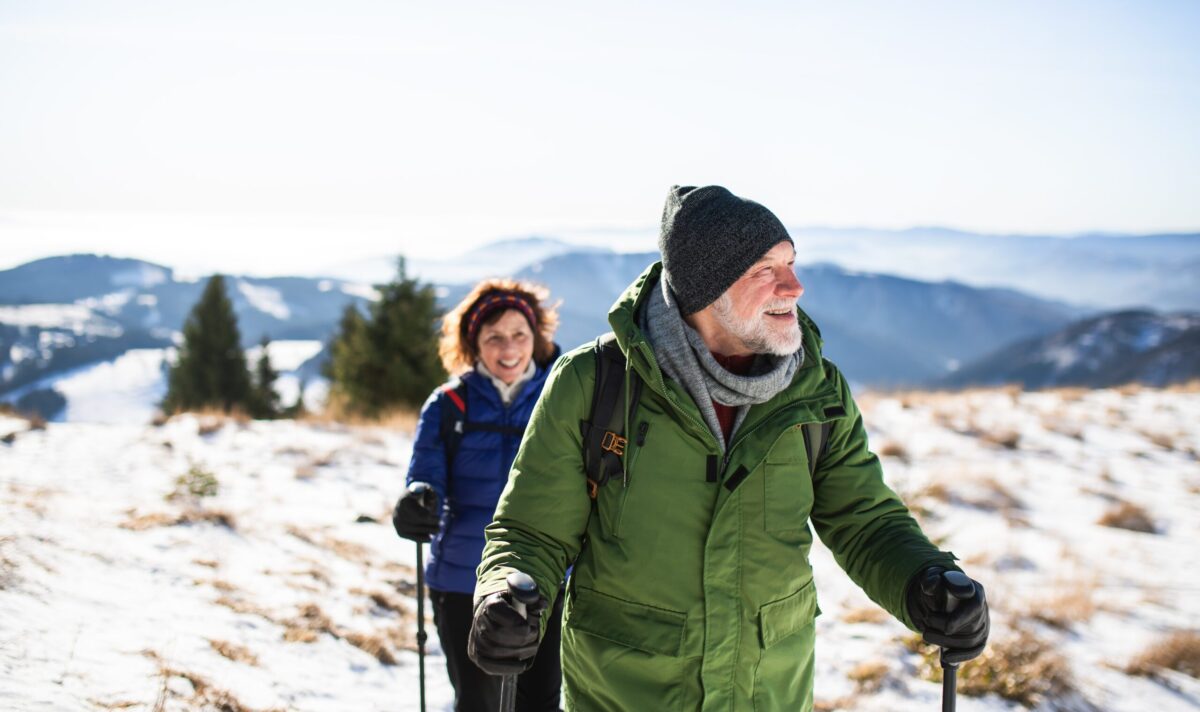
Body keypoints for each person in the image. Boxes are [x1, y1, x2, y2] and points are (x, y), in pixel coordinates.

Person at [467, 186, 989, 711]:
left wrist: (922, 580)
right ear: (706, 290)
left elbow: (865, 522)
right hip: (625, 695)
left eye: (791, 263)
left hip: (768, 693)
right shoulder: (596, 381)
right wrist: (504, 594)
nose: (796, 286)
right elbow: (533, 530)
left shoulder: (816, 390)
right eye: (767, 270)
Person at [393, 278, 564, 712]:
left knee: (539, 702)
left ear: (536, 338)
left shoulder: (561, 397)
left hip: (545, 578)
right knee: (477, 701)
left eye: (519, 335)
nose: (508, 349)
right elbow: (426, 473)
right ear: (474, 344)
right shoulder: (450, 404)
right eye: (494, 338)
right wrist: (418, 499)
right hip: (461, 579)